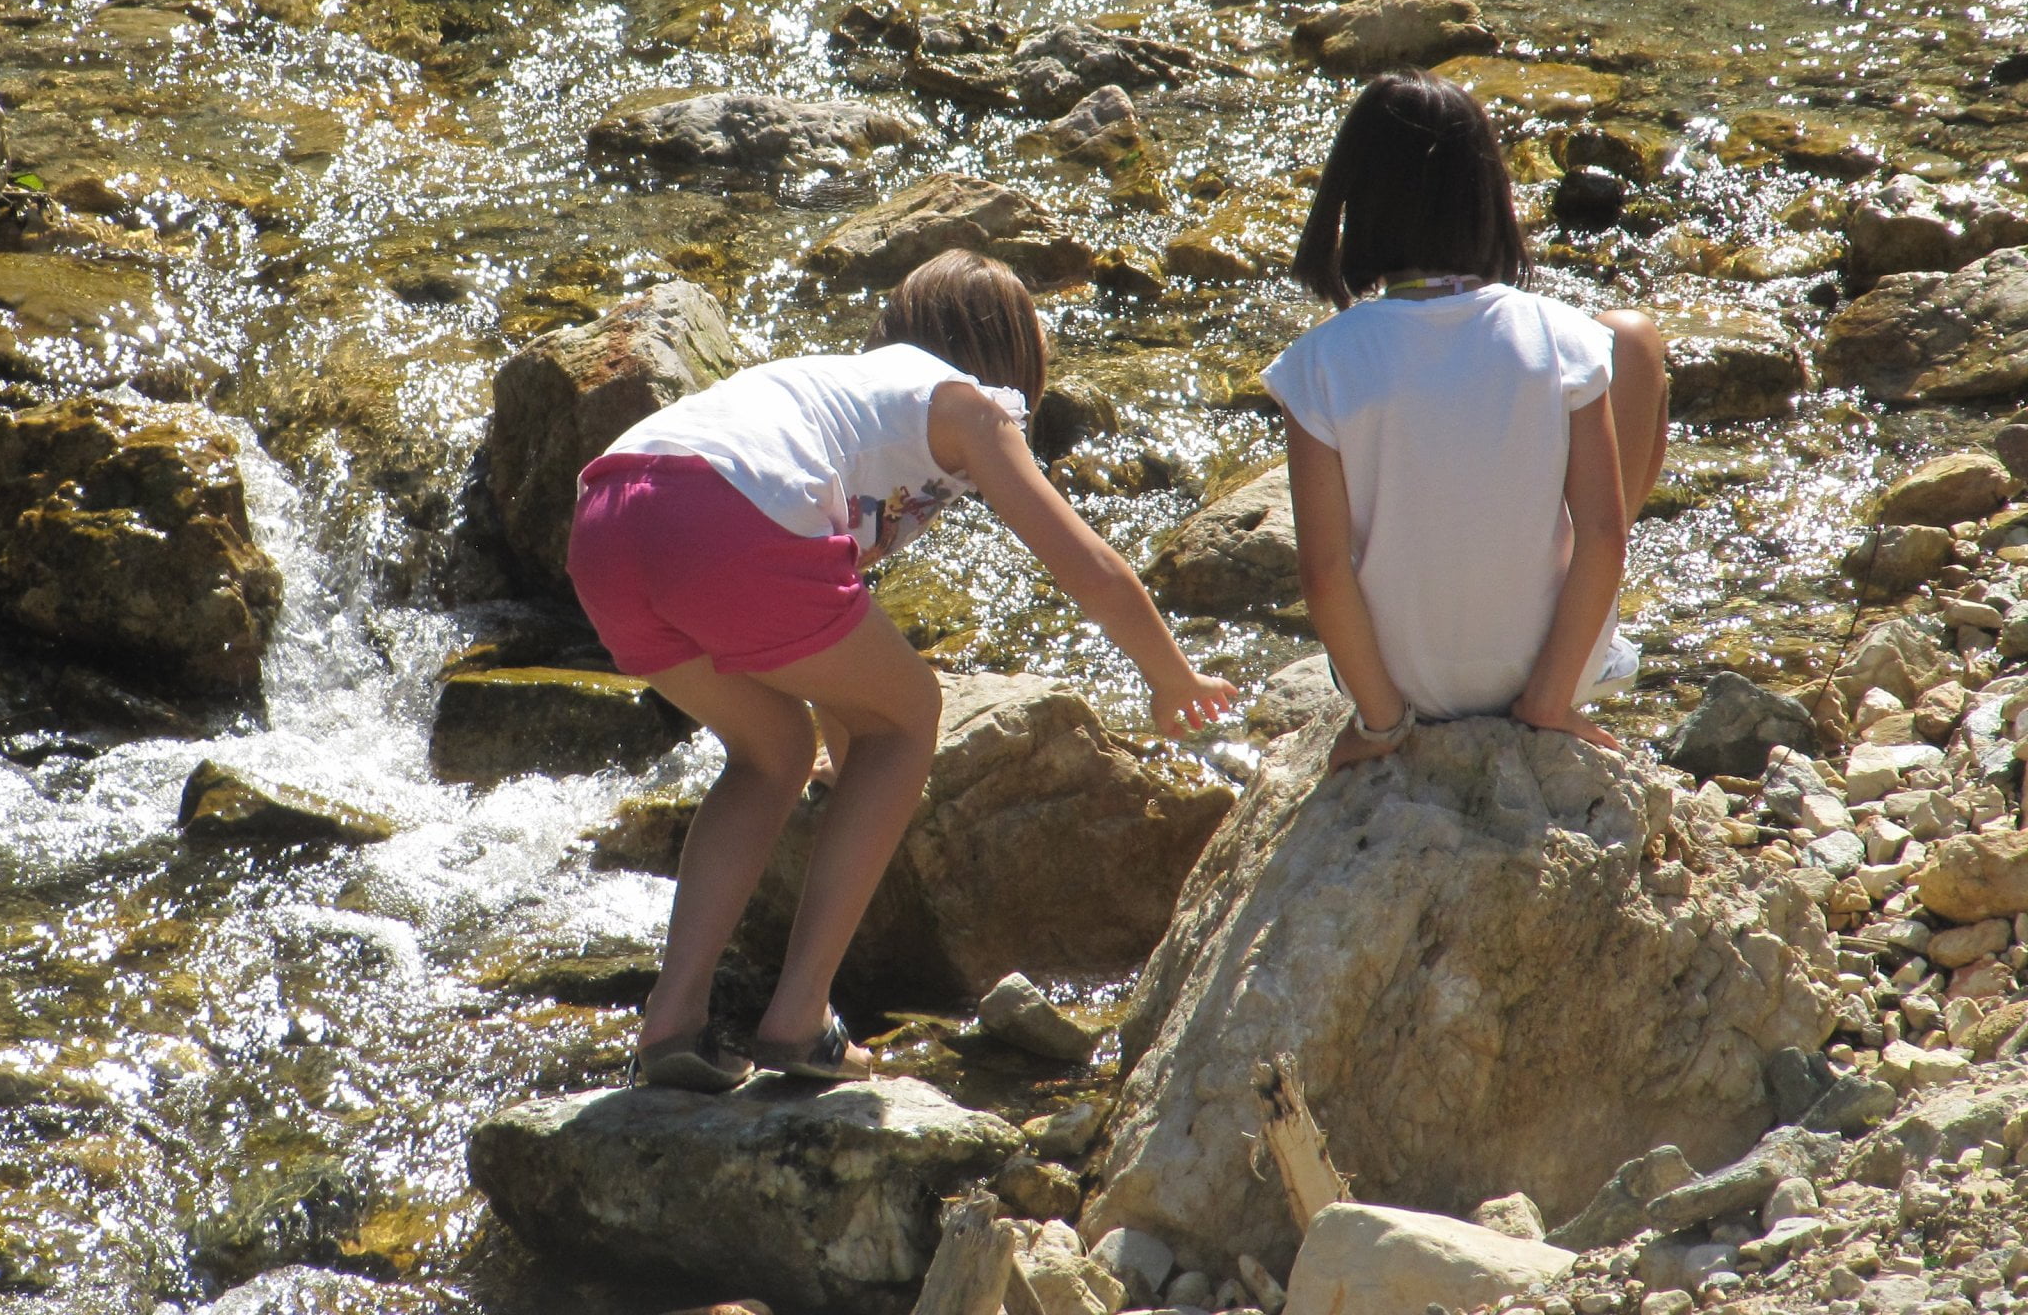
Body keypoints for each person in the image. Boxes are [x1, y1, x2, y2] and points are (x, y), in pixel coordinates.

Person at [566, 249, 1237, 1091]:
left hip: (608, 521)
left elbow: (834, 641)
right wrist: (1171, 675)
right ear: (1006, 364)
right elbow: (1084, 564)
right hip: (724, 511)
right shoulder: (968, 407)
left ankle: (672, 1023)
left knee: (772, 751)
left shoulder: (843, 391)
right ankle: (799, 1016)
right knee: (912, 712)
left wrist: (856, 767)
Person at [1261, 70, 1668, 776]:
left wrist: (1382, 720)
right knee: (1635, 339)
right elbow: (1604, 534)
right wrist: (1549, 698)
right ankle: (1561, 676)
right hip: (1545, 672)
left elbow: (1323, 574)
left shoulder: (1320, 362)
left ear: (1353, 200)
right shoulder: (1562, 338)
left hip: (1404, 685)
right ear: (1491, 197)